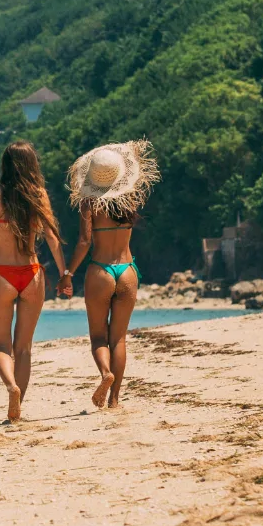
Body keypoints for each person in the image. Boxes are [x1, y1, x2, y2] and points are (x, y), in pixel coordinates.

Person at [0, 140, 71, 423]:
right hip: (32, 274)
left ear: (5, 165)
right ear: (32, 165)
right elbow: (53, 239)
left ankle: (11, 387)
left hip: (1, 274)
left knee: (1, 347)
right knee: (24, 347)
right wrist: (65, 274)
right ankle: (18, 411)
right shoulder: (38, 195)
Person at [65, 141, 159, 409]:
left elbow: (84, 242)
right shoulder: (129, 201)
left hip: (101, 270)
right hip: (127, 271)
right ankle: (115, 400)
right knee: (118, 338)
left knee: (98, 337)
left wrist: (68, 273)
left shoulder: (89, 203)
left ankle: (105, 373)